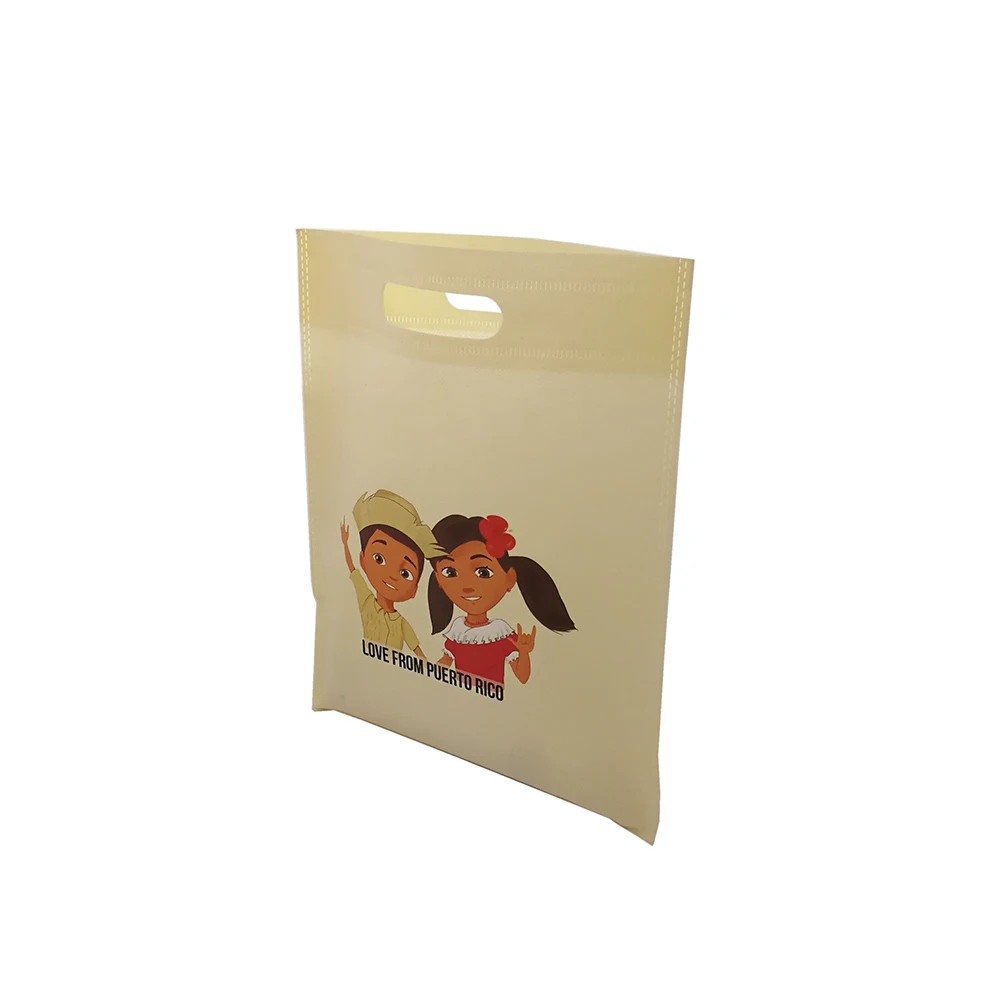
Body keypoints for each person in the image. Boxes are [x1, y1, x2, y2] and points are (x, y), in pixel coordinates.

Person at [428, 514, 575, 685]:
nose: (466, 586)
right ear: (438, 579)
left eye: (483, 572)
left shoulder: (501, 634)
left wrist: (524, 652)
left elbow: (522, 677)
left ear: (509, 578)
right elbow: (444, 663)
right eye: (450, 572)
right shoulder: (457, 632)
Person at [342, 490, 445, 658]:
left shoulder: (401, 623)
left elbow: (418, 653)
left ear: (414, 590)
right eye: (379, 558)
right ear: (363, 560)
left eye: (405, 573)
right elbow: (352, 570)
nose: (392, 575)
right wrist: (345, 544)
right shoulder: (366, 602)